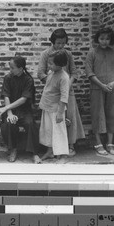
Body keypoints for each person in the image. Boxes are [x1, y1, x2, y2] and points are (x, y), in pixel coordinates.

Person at [37, 28, 85, 156]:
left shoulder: (67, 54)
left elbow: (74, 72)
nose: (60, 46)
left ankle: (70, 145)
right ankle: (53, 148)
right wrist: (53, 83)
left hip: (67, 90)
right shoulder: (46, 54)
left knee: (69, 117)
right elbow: (40, 73)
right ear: (53, 41)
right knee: (55, 121)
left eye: (63, 43)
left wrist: (67, 85)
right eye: (58, 43)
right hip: (53, 92)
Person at [0, 56, 41, 164]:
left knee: (30, 124)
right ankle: (13, 149)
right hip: (11, 110)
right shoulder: (8, 78)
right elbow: (6, 96)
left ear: (21, 68)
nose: (10, 70)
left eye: (12, 68)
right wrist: (9, 113)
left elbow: (23, 99)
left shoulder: (28, 80)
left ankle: (35, 153)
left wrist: (5, 108)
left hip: (25, 111)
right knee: (8, 124)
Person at [85, 27, 114, 155]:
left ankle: (111, 143)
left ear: (110, 39)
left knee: (113, 114)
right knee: (97, 114)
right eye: (102, 38)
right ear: (97, 39)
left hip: (113, 88)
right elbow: (89, 72)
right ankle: (98, 142)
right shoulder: (92, 53)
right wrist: (101, 85)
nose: (104, 41)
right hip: (97, 88)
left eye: (107, 39)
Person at [39, 50, 70, 160]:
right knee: (48, 131)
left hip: (57, 110)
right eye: (48, 63)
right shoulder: (51, 73)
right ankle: (50, 151)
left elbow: (64, 97)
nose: (48, 65)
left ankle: (63, 155)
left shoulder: (64, 77)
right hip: (47, 107)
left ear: (60, 64)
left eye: (51, 64)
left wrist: (60, 113)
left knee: (59, 132)